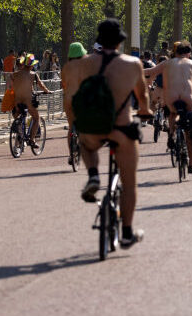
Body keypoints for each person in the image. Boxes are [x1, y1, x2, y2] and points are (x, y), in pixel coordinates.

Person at [68, 19, 151, 248]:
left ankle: (93, 174)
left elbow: (75, 96)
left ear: (98, 40)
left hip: (92, 127)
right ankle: (126, 232)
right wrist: (146, 112)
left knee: (86, 144)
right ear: (120, 42)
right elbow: (142, 98)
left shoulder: (83, 65)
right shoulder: (133, 64)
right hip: (122, 129)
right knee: (129, 182)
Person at [144, 42, 192, 173]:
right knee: (190, 132)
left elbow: (150, 71)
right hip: (187, 97)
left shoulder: (167, 63)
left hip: (171, 97)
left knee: (173, 114)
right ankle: (191, 165)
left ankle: (171, 133)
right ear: (188, 53)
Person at [11, 54, 51, 148]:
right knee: (36, 118)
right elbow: (41, 85)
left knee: (17, 117)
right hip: (28, 101)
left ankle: (19, 134)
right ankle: (32, 140)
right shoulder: (33, 74)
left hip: (16, 102)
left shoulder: (15, 74)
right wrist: (47, 91)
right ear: (32, 65)